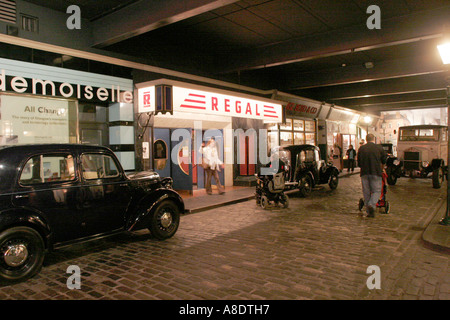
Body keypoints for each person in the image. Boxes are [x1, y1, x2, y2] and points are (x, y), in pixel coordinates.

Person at [357, 134, 386, 217]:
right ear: (374, 139)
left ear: (366, 140)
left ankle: (368, 211)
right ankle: (371, 204)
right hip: (376, 172)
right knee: (376, 191)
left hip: (364, 173)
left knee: (366, 192)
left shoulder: (361, 148)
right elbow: (384, 160)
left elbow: (359, 162)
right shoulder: (379, 148)